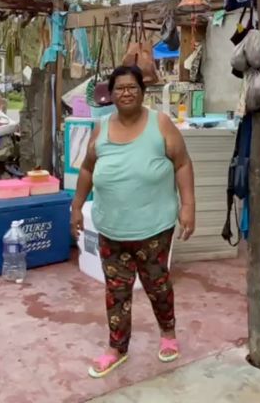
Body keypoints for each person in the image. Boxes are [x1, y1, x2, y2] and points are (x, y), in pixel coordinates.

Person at [70, 65, 196, 379]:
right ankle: (117, 348)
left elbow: (182, 164)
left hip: (153, 229)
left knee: (158, 286)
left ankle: (168, 334)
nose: (126, 93)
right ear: (110, 95)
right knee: (116, 292)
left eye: (132, 87)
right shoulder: (100, 128)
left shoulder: (161, 124)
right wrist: (75, 207)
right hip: (110, 229)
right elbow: (87, 169)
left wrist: (189, 206)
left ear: (142, 91)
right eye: (119, 88)